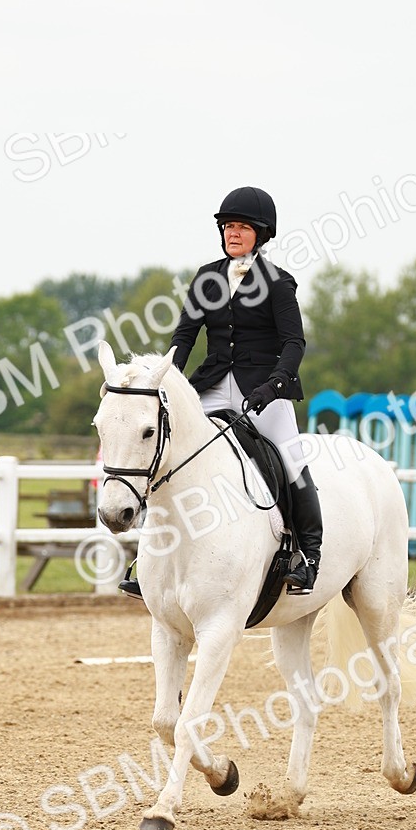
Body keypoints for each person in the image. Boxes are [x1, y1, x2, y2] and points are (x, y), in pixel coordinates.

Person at [120, 185, 322, 599]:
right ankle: (150, 558)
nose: (233, 233)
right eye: (228, 226)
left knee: (291, 460)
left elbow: (294, 343)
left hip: (262, 390)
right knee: (168, 451)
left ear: (261, 234)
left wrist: (277, 383)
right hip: (211, 386)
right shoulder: (207, 277)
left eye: (242, 227)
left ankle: (308, 555)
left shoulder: (279, 283)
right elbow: (184, 336)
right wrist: (163, 381)